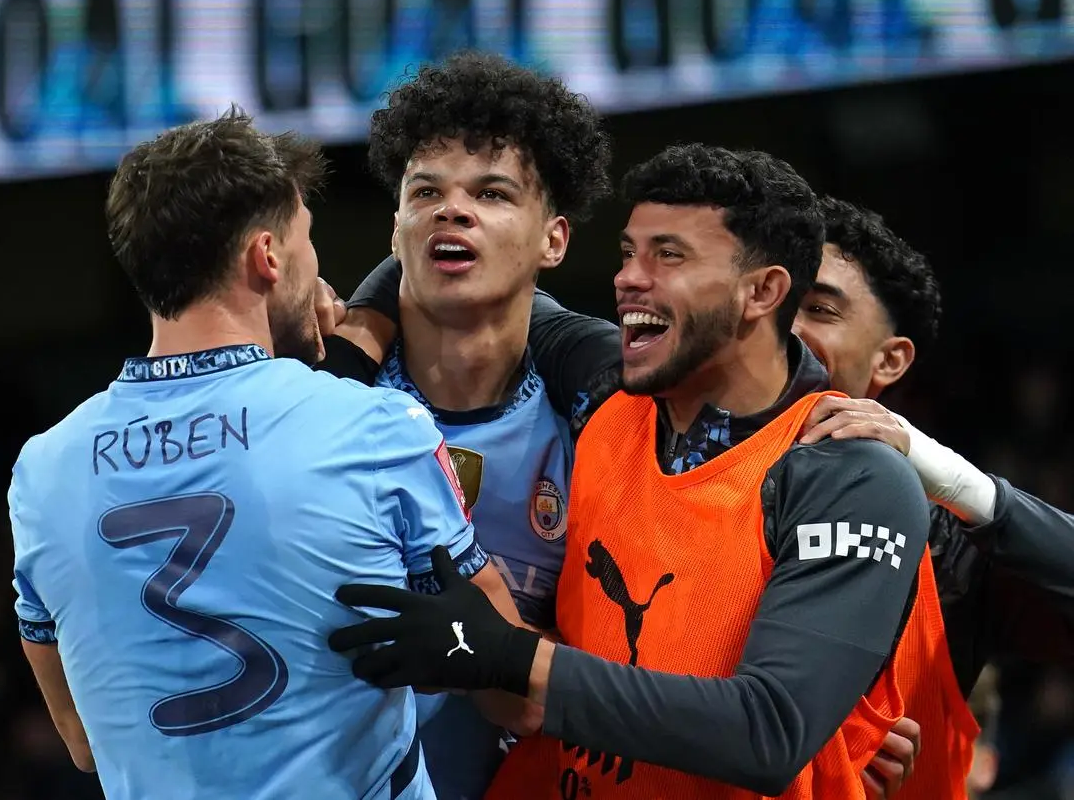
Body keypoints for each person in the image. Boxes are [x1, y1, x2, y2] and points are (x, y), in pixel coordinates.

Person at [330, 144, 934, 798]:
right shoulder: (607, 412)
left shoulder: (850, 474)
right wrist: (350, 341)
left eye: (668, 256)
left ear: (761, 291)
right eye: (629, 254)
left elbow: (767, 732)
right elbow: (485, 281)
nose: (628, 280)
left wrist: (507, 654)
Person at [6, 109, 519, 800]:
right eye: (307, 244)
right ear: (267, 257)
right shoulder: (373, 426)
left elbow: (80, 740)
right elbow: (516, 691)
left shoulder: (41, 470)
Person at [316, 50, 614, 800]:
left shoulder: (602, 418)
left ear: (554, 239)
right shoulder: (317, 402)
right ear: (396, 229)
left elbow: (652, 660)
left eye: (491, 193)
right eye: (427, 192)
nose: (453, 210)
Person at [792, 198, 1074, 798]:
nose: (786, 328)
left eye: (818, 309)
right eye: (774, 297)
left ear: (889, 360)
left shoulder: (951, 552)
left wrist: (952, 477)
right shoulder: (662, 470)